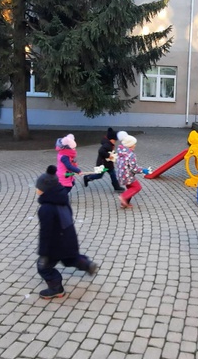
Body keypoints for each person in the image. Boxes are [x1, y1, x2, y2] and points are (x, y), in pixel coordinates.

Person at [35, 165, 99, 299]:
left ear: (46, 190)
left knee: (43, 267)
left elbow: (45, 232)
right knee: (70, 258)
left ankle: (56, 288)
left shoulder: (46, 209)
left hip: (55, 244)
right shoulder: (62, 199)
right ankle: (86, 264)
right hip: (69, 237)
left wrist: (43, 252)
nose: (37, 189)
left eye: (39, 187)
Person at [82, 128, 123, 192]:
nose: (115, 142)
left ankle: (116, 187)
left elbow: (110, 152)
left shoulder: (110, 144)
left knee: (113, 174)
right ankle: (87, 177)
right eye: (114, 140)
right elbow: (101, 151)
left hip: (108, 164)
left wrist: (114, 155)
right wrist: (108, 155)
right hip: (102, 164)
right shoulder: (107, 145)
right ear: (111, 139)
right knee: (98, 175)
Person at [114, 134, 143, 208]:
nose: (135, 145)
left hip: (120, 174)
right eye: (134, 144)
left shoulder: (121, 152)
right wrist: (143, 170)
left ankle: (124, 203)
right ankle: (123, 197)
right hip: (127, 175)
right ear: (130, 145)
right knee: (137, 187)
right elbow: (134, 169)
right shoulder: (130, 154)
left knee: (130, 188)